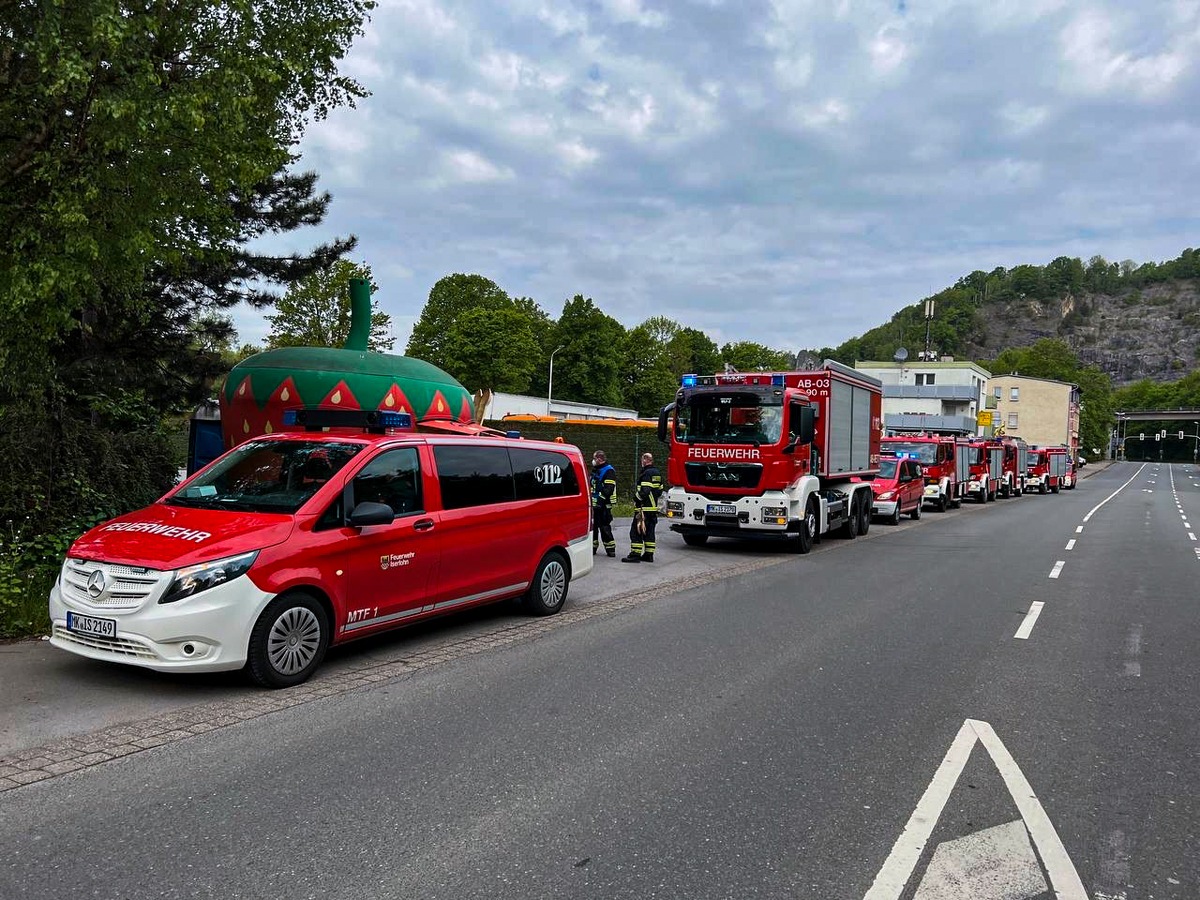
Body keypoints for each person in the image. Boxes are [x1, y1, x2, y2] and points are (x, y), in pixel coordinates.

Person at [622, 452, 664, 563]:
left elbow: (644, 491)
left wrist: (636, 498)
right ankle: (649, 555)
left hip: (643, 509)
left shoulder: (646, 473)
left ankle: (635, 554)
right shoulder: (657, 473)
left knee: (636, 532)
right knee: (649, 532)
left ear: (645, 460)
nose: (641, 462)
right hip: (652, 509)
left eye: (642, 460)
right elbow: (659, 491)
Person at [591, 450, 617, 557]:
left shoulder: (609, 471)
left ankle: (610, 549)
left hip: (604, 505)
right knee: (593, 528)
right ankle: (592, 548)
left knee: (604, 527)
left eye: (594, 458)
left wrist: (600, 502)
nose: (593, 461)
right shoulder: (597, 470)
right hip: (594, 505)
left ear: (599, 459)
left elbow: (608, 489)